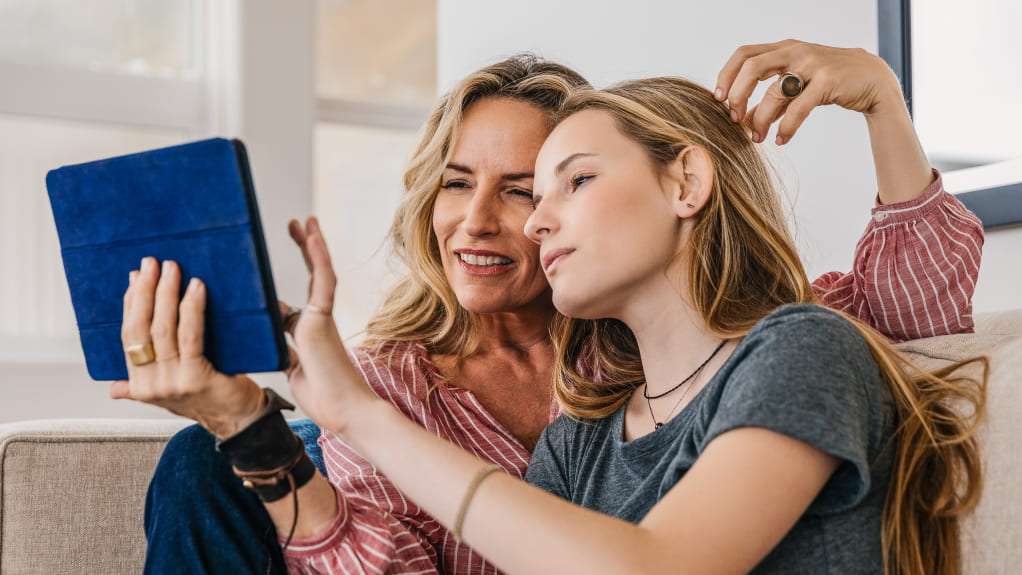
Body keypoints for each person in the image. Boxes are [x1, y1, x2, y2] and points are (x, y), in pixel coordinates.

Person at [118, 41, 983, 574]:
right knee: (206, 458)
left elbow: (911, 315)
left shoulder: (796, 346)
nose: (523, 220)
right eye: (459, 184)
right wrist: (264, 429)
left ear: (685, 181)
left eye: (562, 183)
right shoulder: (585, 437)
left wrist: (877, 95)